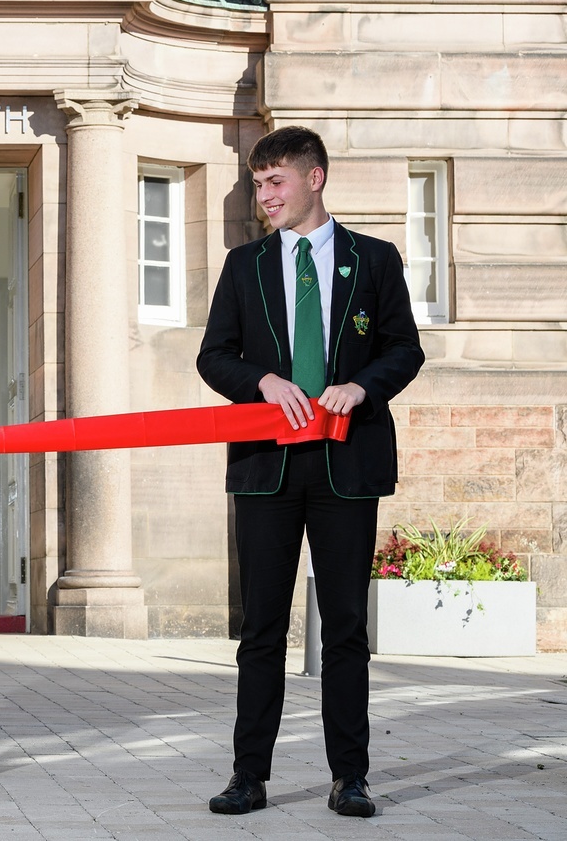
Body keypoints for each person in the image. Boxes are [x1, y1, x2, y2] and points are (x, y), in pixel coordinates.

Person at [197, 127, 424, 818]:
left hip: (346, 467)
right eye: (258, 182)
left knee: (346, 628)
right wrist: (261, 380)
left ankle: (349, 777)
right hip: (266, 468)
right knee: (261, 628)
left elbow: (404, 349)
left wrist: (363, 388)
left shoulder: (374, 260)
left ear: (313, 178)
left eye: (275, 182)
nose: (263, 195)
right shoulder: (245, 265)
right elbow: (214, 357)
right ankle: (249, 776)